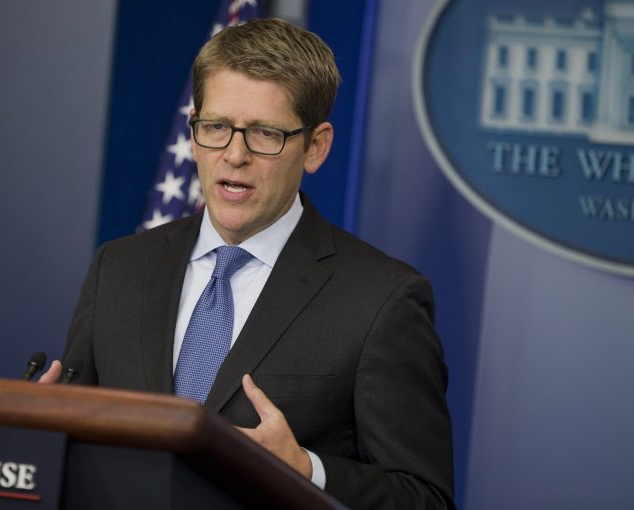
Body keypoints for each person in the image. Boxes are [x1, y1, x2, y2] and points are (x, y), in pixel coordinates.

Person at [42, 18, 454, 509]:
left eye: (264, 134)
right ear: (193, 133)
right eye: (216, 127)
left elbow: (423, 498)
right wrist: (43, 429)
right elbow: (76, 445)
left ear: (315, 147)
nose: (235, 155)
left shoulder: (382, 300)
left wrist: (308, 469)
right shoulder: (120, 268)